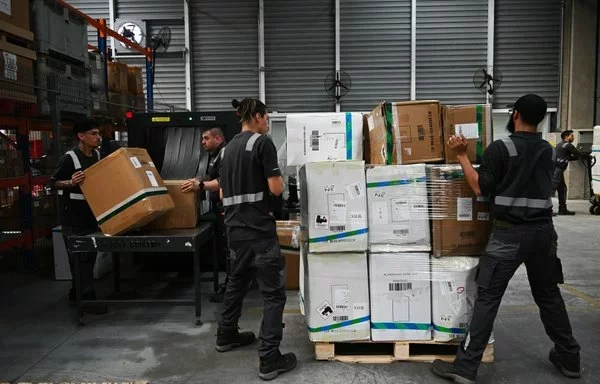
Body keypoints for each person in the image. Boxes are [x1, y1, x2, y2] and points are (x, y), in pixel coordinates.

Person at [431, 94, 580, 383]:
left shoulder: (501, 148)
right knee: (549, 295)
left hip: (509, 234)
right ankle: (570, 357)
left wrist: (461, 155)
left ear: (515, 115)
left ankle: (465, 368)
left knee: (487, 297)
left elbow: (479, 189)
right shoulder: (550, 151)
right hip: (544, 235)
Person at [216, 98, 296, 381]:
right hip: (259, 232)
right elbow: (275, 189)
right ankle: (270, 358)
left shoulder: (227, 150)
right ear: (258, 116)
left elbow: (223, 194)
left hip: (234, 230)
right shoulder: (262, 143)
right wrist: (281, 181)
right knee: (273, 294)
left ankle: (226, 335)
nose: (268, 123)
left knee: (236, 282)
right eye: (267, 118)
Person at [51, 119, 108, 315]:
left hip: (91, 216)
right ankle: (86, 299)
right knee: (77, 258)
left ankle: (77, 294)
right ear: (81, 136)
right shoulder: (70, 158)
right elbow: (54, 183)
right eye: (93, 133)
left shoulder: (97, 155)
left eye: (98, 134)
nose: (97, 137)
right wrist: (70, 182)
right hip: (72, 219)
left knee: (88, 258)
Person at [181, 127, 228, 302]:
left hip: (226, 208)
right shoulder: (214, 155)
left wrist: (200, 185)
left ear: (218, 138)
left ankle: (231, 287)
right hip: (217, 208)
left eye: (206, 138)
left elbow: (224, 182)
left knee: (230, 249)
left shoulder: (224, 154)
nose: (202, 142)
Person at [552, 129, 581, 215]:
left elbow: (566, 157)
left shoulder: (559, 145)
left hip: (556, 169)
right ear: (566, 137)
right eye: (572, 135)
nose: (573, 137)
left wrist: (571, 157)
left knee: (562, 189)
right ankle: (546, 211)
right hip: (558, 170)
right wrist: (588, 156)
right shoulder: (568, 146)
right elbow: (578, 154)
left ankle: (562, 209)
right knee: (551, 190)